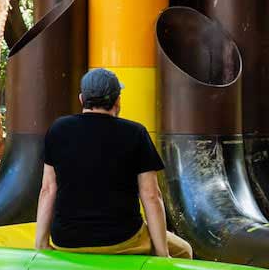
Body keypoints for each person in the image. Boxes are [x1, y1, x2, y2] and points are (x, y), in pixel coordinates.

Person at [35, 66, 192, 259]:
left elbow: (48, 189)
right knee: (184, 250)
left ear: (82, 99)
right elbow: (151, 195)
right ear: (118, 100)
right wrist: (162, 254)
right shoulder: (135, 133)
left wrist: (41, 244)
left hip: (67, 240)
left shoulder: (58, 129)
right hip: (122, 239)